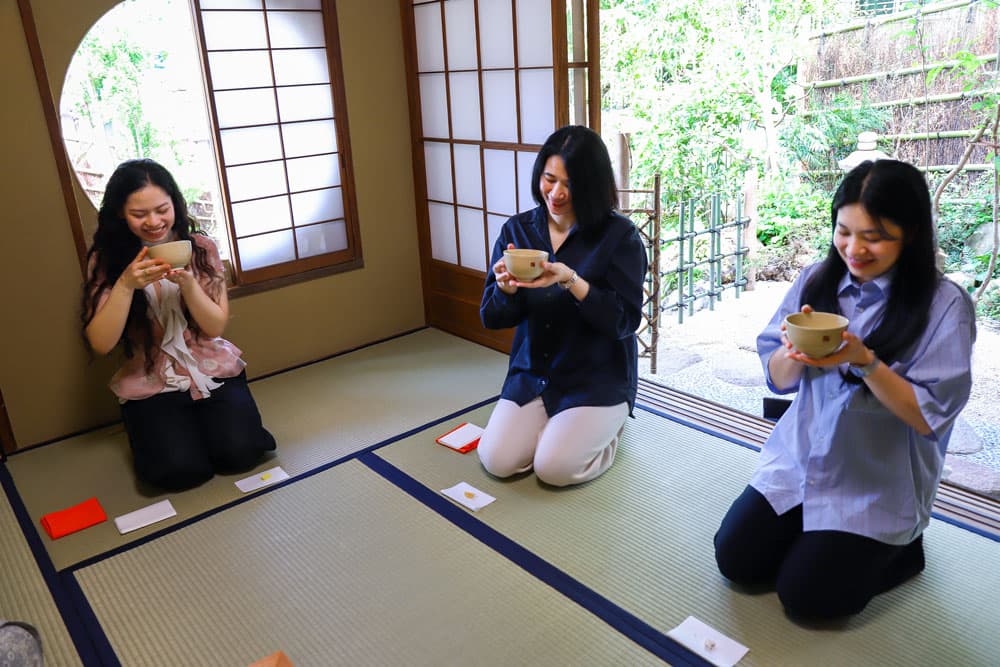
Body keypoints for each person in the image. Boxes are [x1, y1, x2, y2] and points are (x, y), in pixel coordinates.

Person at [714, 159, 976, 620]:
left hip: (874, 479)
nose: (853, 249)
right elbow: (776, 375)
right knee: (736, 561)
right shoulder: (818, 279)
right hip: (802, 459)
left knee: (808, 599)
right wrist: (792, 355)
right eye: (843, 230)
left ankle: (904, 551)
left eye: (873, 236)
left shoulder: (944, 306)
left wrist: (866, 361)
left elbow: (928, 415)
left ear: (910, 232)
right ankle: (818, 544)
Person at [82, 159, 276, 491]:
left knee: (241, 454)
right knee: (179, 473)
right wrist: (126, 284)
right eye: (139, 215)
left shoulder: (200, 248)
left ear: (175, 203)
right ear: (119, 213)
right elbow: (100, 343)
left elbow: (214, 327)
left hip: (209, 367)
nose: (154, 222)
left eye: (162, 209)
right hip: (151, 374)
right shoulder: (108, 258)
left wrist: (188, 284)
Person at [477, 125, 648, 487]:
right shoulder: (518, 231)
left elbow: (625, 322)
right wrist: (506, 291)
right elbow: (490, 317)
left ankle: (610, 432)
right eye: (548, 179)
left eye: (569, 184)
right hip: (534, 370)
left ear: (592, 186)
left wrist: (572, 279)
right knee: (497, 460)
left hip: (596, 376)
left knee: (554, 470)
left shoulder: (620, 237)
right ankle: (558, 434)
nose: (555, 193)